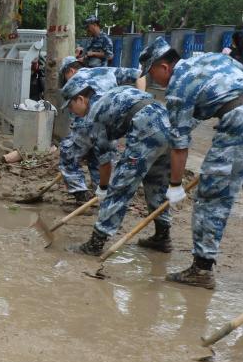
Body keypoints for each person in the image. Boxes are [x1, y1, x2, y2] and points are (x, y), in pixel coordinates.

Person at [140, 36, 243, 289]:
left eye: (153, 73)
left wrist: (175, 185)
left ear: (164, 66)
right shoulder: (210, 58)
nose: (154, 80)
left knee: (211, 197)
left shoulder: (178, 86)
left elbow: (179, 145)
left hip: (239, 125)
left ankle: (201, 269)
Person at [59, 79, 173, 256]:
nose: (72, 112)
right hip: (167, 125)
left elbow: (105, 161)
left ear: (81, 99)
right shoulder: (110, 94)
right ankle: (162, 236)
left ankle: (96, 243)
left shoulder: (95, 115)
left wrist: (103, 188)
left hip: (146, 130)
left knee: (120, 186)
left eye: (71, 107)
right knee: (157, 184)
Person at [57, 56, 144, 205]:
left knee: (68, 154)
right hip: (110, 124)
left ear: (70, 70)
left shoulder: (75, 82)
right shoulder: (104, 70)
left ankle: (80, 194)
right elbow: (140, 74)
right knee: (100, 157)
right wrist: (141, 95)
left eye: (65, 77)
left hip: (89, 123)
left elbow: (79, 114)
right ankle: (103, 193)